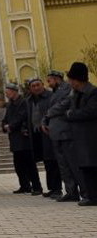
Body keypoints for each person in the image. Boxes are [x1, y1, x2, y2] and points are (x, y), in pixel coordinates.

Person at [42, 70, 84, 202]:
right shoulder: (54, 92)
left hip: (66, 132)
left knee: (73, 164)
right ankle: (71, 191)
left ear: (56, 79)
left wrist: (49, 113)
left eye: (49, 81)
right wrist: (44, 120)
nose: (48, 84)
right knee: (63, 165)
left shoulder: (67, 89)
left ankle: (85, 191)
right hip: (55, 133)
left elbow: (64, 104)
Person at [65, 62, 97, 206]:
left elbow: (90, 111)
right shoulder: (75, 94)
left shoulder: (92, 92)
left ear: (77, 79)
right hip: (80, 138)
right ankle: (90, 196)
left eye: (71, 80)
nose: (70, 83)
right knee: (85, 167)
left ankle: (94, 197)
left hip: (91, 137)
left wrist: (72, 114)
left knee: (92, 167)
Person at [2, 83, 42, 194]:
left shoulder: (24, 102)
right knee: (18, 164)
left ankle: (37, 187)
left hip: (23, 138)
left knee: (30, 164)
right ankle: (24, 185)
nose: (6, 94)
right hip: (14, 139)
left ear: (14, 91)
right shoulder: (10, 104)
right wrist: (5, 126)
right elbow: (5, 118)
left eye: (8, 91)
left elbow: (22, 116)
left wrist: (11, 126)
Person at [27, 78, 61, 198]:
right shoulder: (29, 100)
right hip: (36, 134)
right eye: (33, 86)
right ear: (30, 89)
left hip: (48, 133)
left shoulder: (51, 97)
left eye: (38, 85)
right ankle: (51, 188)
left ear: (43, 85)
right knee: (46, 162)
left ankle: (57, 189)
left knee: (52, 161)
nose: (36, 88)